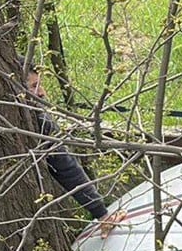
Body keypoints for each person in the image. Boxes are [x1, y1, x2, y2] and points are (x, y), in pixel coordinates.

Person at [24, 66, 124, 234]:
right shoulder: (40, 121)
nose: (41, 93)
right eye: (33, 86)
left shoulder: (38, 118)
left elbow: (64, 164)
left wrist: (100, 212)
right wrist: (101, 213)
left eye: (40, 84)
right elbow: (65, 166)